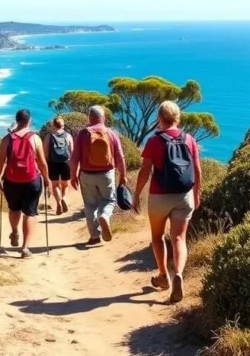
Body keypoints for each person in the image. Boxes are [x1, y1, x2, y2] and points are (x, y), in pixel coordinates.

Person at [133, 100, 202, 304]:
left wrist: (136, 194)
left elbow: (145, 171)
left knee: (157, 236)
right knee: (179, 238)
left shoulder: (154, 141)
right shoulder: (189, 139)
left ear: (160, 118)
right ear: (177, 118)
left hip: (159, 196)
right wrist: (197, 194)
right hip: (184, 195)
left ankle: (164, 276)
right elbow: (197, 171)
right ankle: (178, 273)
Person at [0, 109, 51, 258]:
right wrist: (46, 178)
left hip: (11, 181)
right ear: (29, 121)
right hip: (32, 180)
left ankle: (14, 231)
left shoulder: (7, 139)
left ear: (17, 120)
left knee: (14, 209)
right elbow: (42, 163)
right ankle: (25, 247)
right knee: (29, 213)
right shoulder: (35, 138)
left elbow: (0, 161)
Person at [71, 105, 127, 245]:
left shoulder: (83, 134)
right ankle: (105, 216)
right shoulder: (111, 133)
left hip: (86, 175)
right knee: (109, 201)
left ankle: (95, 236)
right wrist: (123, 174)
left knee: (90, 205)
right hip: (106, 173)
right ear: (103, 118)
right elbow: (120, 156)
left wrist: (72, 175)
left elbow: (74, 157)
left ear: (89, 117)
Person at [45, 116, 75, 215]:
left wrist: (46, 162)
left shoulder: (49, 136)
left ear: (53, 125)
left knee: (55, 185)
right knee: (65, 184)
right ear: (63, 125)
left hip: (53, 162)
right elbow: (72, 151)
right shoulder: (68, 136)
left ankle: (58, 202)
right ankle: (64, 199)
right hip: (65, 162)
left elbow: (46, 152)